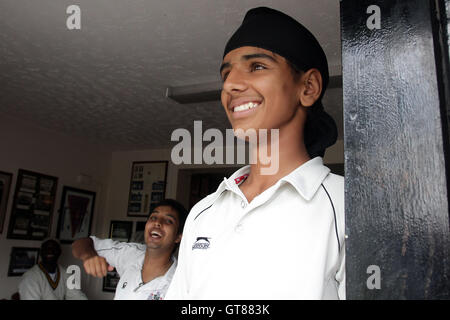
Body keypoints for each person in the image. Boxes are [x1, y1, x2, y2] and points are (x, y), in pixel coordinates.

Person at [165, 7, 345, 300]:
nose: (230, 84)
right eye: (226, 73)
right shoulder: (203, 213)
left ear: (308, 87)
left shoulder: (345, 206)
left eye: (258, 66)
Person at [72, 199, 187, 300]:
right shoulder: (130, 253)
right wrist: (89, 256)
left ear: (178, 237)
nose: (157, 222)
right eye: (153, 217)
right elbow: (80, 243)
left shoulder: (180, 283)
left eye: (168, 221)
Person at [18, 238, 87, 300]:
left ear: (59, 252)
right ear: (41, 253)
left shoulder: (66, 273)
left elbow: (76, 296)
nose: (50, 251)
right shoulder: (30, 277)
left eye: (54, 248)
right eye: (46, 248)